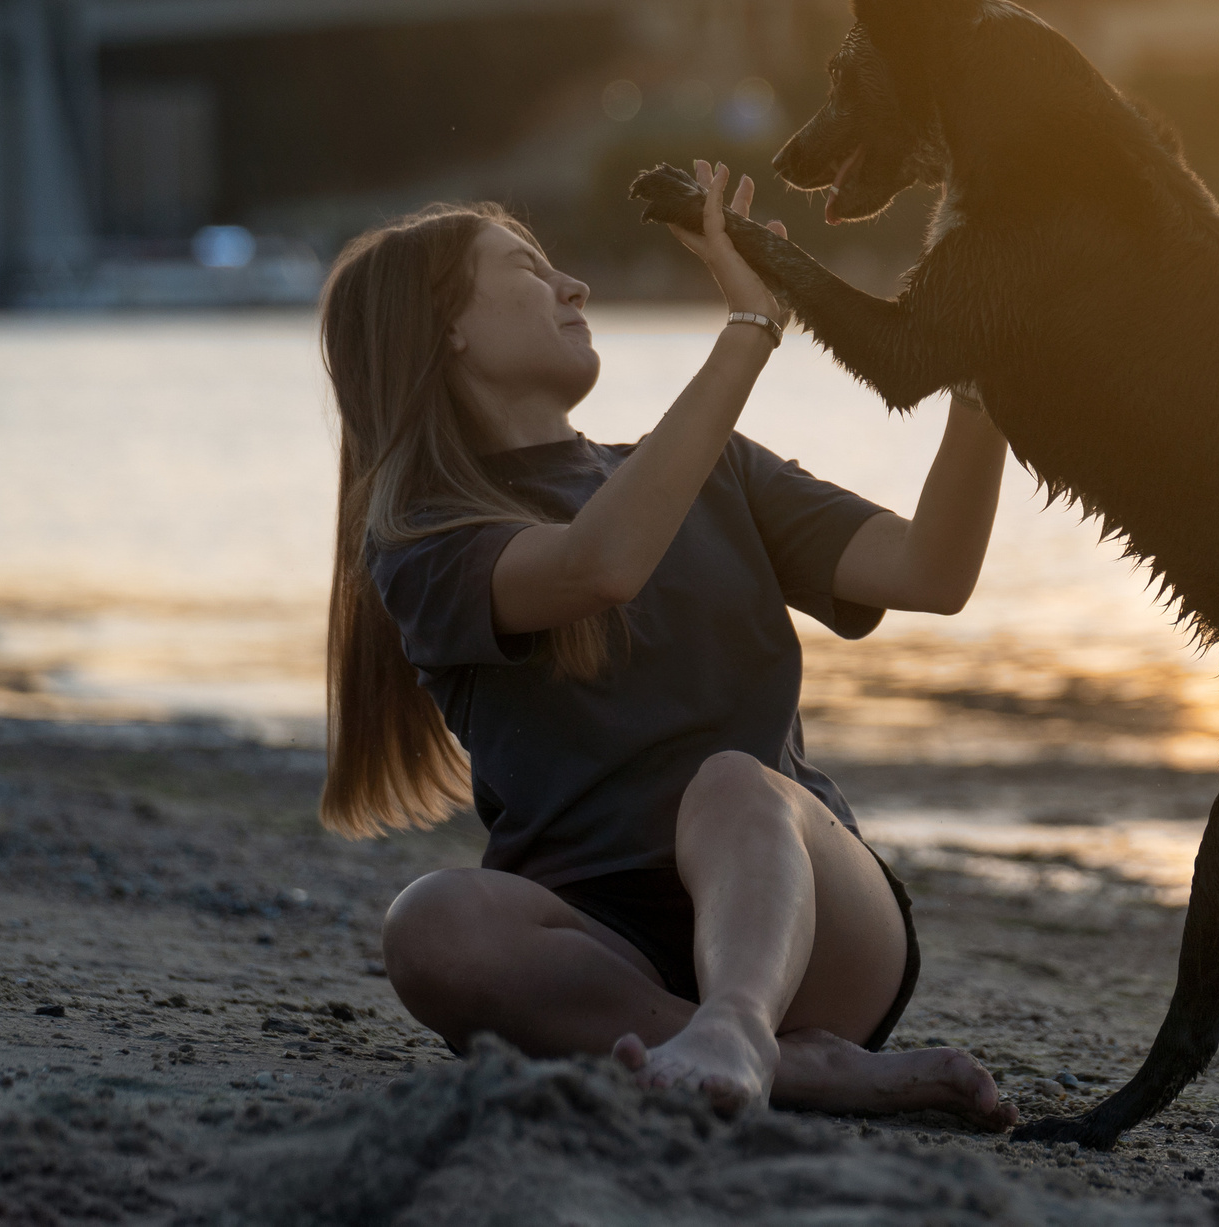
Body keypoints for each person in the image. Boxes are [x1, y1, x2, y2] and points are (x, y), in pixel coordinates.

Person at [314, 160, 1012, 1127]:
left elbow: (932, 570)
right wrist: (749, 325)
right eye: (527, 267)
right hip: (601, 952)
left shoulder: (715, 471)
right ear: (448, 328)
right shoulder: (423, 538)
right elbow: (601, 565)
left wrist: (984, 384)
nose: (574, 285)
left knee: (730, 782)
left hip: (802, 909)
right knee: (429, 922)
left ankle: (739, 1026)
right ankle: (791, 1066)